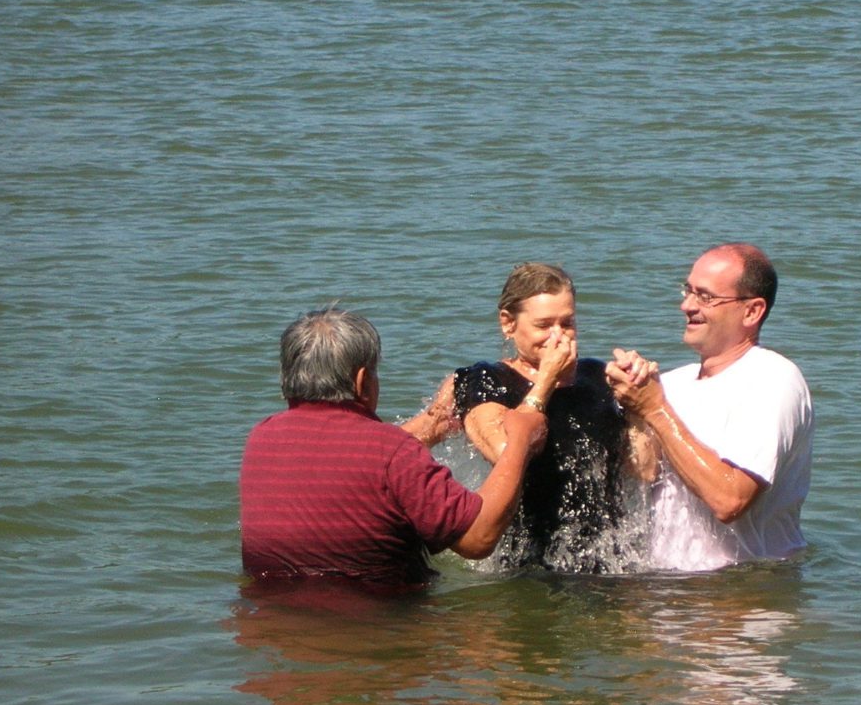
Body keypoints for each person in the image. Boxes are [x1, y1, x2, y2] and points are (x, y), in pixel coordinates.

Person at [239, 307, 547, 592]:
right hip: (378, 633)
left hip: (276, 632)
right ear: (362, 381)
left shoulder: (262, 438)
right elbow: (478, 537)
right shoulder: (391, 452)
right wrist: (520, 439)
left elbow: (356, 461)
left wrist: (431, 428)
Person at [606, 243, 813, 571]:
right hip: (670, 588)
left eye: (705, 297)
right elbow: (644, 474)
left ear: (752, 311)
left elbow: (730, 499)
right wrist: (633, 403)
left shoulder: (772, 379)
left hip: (742, 591)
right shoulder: (671, 384)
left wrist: (655, 410)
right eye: (688, 290)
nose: (686, 305)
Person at [452, 263, 656, 573]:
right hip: (527, 566)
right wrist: (546, 378)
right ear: (508, 323)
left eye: (567, 323)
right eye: (544, 325)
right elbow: (506, 451)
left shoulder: (595, 376)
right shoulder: (485, 380)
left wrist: (638, 403)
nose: (558, 336)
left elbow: (644, 469)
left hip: (610, 561)